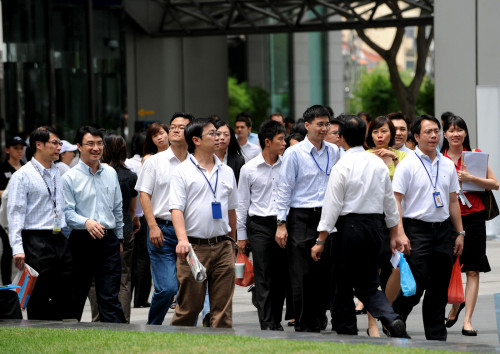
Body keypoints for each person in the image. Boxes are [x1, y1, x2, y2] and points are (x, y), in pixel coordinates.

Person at [311, 115, 410, 338]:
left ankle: (347, 332)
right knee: (369, 283)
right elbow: (389, 202)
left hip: (350, 228)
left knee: (343, 283)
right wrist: (394, 233)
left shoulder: (342, 164)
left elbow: (332, 207)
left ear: (343, 138)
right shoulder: (378, 163)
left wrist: (320, 241)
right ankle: (391, 318)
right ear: (365, 136)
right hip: (375, 228)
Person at [391, 114, 465, 341]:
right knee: (417, 280)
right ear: (416, 136)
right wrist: (400, 232)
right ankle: (394, 317)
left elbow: (453, 200)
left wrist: (460, 232)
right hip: (416, 229)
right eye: (428, 132)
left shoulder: (447, 165)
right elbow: (396, 200)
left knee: (440, 285)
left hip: (443, 230)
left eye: (436, 132)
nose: (434, 136)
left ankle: (436, 336)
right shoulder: (408, 164)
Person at [276, 105, 340, 332]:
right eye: (319, 124)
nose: (324, 128)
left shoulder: (334, 151)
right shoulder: (294, 153)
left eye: (327, 124)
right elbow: (284, 189)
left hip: (328, 217)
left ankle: (318, 317)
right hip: (301, 217)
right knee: (302, 273)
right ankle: (304, 323)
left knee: (324, 272)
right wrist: (281, 223)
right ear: (307, 125)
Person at [170, 118, 237, 328]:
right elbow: (176, 209)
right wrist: (182, 241)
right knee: (189, 307)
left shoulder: (226, 171)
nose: (219, 138)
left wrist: (232, 242)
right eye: (213, 134)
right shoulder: (182, 171)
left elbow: (232, 210)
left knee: (223, 309)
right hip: (193, 247)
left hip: (223, 246)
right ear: (196, 140)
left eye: (220, 133)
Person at [441, 115, 499, 336]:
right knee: (446, 268)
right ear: (445, 134)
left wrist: (470, 177)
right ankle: (456, 302)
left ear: (465, 133)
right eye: (451, 130)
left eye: (460, 130)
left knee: (473, 270)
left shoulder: (474, 156)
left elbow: (495, 184)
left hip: (474, 218)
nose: (455, 134)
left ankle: (467, 321)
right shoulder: (440, 158)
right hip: (447, 220)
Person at [8, 126, 73, 320]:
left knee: (64, 285)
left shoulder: (56, 172)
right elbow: (15, 213)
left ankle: (60, 328)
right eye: (54, 143)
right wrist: (17, 248)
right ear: (38, 144)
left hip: (58, 237)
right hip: (35, 238)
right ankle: (39, 328)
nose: (58, 147)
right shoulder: (22, 175)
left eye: (60, 143)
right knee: (40, 291)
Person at [63, 126, 126, 323]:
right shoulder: (69, 177)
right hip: (81, 240)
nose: (96, 148)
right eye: (90, 143)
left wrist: (119, 237)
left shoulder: (110, 173)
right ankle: (69, 334)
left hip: (108, 240)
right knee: (76, 293)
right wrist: (87, 222)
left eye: (99, 143)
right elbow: (67, 213)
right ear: (79, 147)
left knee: (109, 293)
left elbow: (117, 208)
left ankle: (116, 336)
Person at [135, 112, 193, 325]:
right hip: (162, 229)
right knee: (167, 288)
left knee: (191, 287)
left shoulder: (196, 162)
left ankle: (188, 330)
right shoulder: (155, 162)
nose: (175, 130)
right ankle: (154, 326)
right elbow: (144, 194)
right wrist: (152, 226)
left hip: (190, 232)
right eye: (173, 126)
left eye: (181, 127)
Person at [237, 120, 287, 331]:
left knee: (281, 276)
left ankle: (275, 319)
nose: (284, 143)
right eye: (280, 139)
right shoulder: (249, 169)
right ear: (268, 142)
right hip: (259, 225)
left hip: (283, 224)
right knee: (264, 275)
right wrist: (241, 235)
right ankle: (267, 323)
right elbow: (242, 204)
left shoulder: (288, 165)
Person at [364, 115, 408, 336]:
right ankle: (373, 322)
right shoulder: (364, 156)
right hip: (373, 220)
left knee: (396, 269)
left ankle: (386, 313)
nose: (379, 136)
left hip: (397, 220)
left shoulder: (402, 156)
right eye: (375, 132)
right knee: (374, 272)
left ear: (392, 134)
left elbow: (407, 186)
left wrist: (394, 159)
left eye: (383, 131)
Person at [102, 134, 140, 323]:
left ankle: (98, 318)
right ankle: (123, 320)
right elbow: (133, 208)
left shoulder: (100, 173)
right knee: (124, 278)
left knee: (97, 278)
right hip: (125, 227)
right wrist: (132, 221)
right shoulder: (131, 176)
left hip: (101, 229)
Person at [126, 131, 152, 309]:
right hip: (143, 216)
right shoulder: (148, 163)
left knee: (130, 259)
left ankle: (129, 296)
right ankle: (141, 298)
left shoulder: (128, 163)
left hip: (129, 215)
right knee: (143, 258)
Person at [0, 136, 26, 285]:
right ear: (7, 150)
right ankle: (7, 282)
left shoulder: (25, 167)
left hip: (22, 213)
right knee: (9, 249)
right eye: (16, 148)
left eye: (21, 148)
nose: (19, 151)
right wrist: (7, 193)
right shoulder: (2, 169)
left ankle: (24, 281)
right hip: (5, 214)